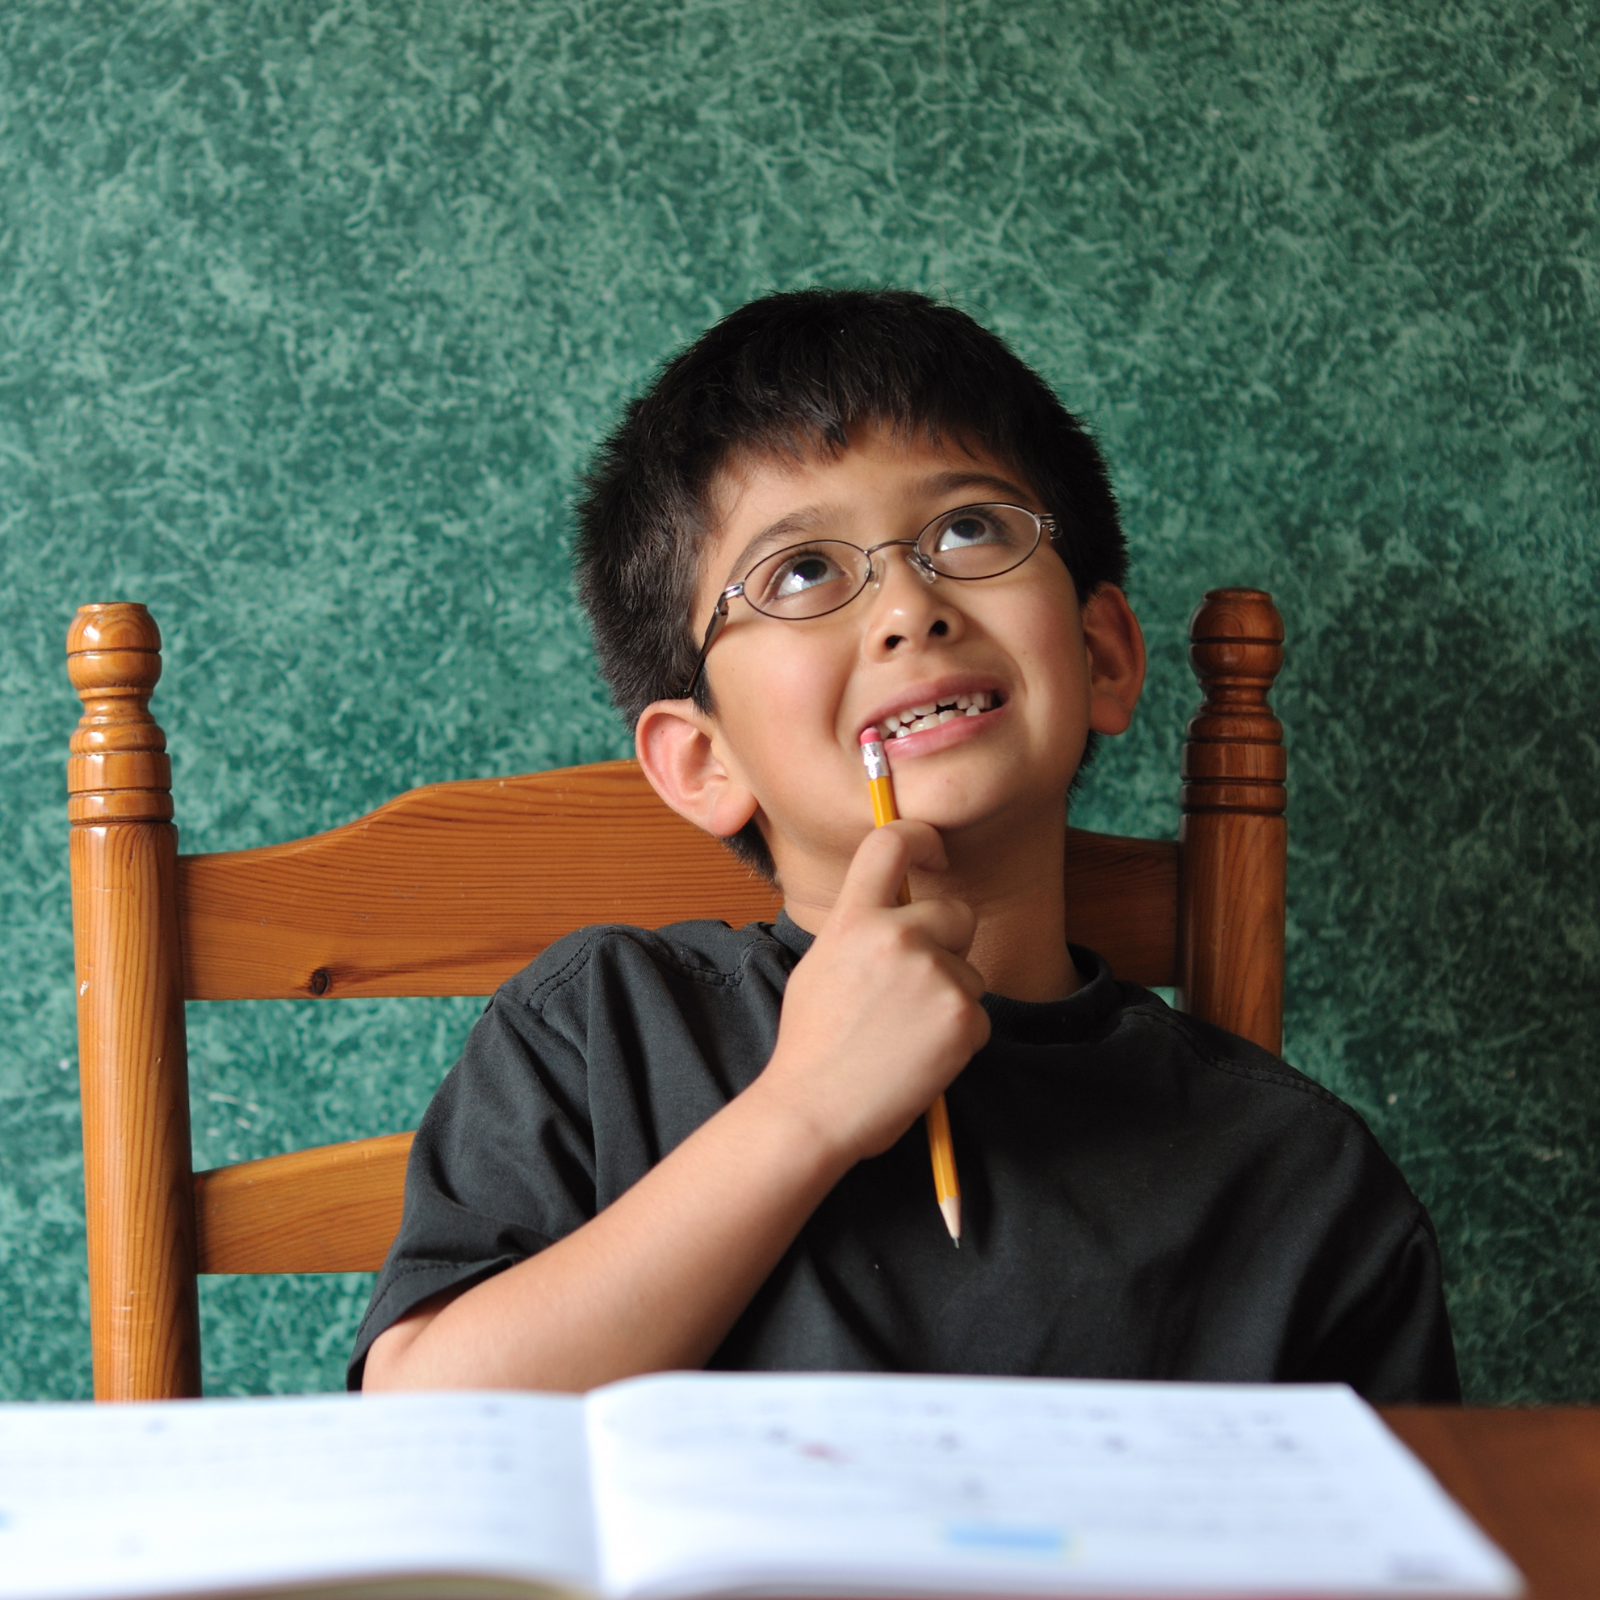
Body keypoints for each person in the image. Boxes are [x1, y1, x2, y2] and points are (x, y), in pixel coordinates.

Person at [352, 288, 1459, 1401]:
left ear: (1103, 657)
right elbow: (422, 1430)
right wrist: (804, 1110)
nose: (906, 608)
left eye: (969, 529)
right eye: (800, 571)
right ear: (703, 761)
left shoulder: (1297, 1174)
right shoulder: (601, 1033)